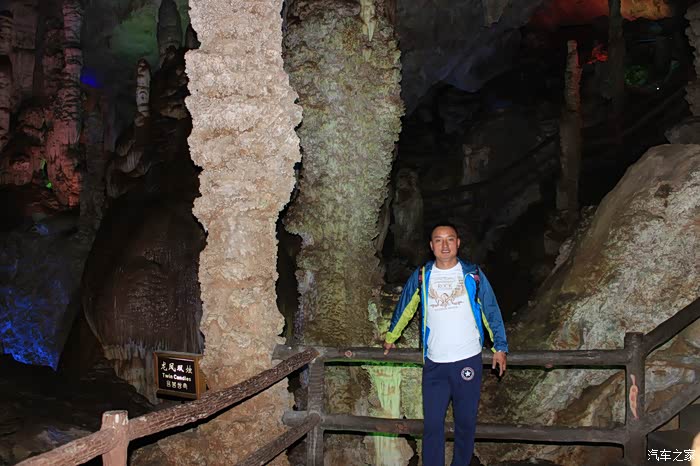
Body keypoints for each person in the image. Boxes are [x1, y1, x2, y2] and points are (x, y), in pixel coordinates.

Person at [383, 223, 508, 466]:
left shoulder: (473, 274)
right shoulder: (422, 276)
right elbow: (405, 306)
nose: (445, 245)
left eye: (450, 239)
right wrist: (391, 337)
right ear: (431, 246)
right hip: (435, 363)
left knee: (465, 423)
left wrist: (500, 347)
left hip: (467, 359)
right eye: (439, 240)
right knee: (432, 426)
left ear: (457, 243)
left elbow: (490, 309)